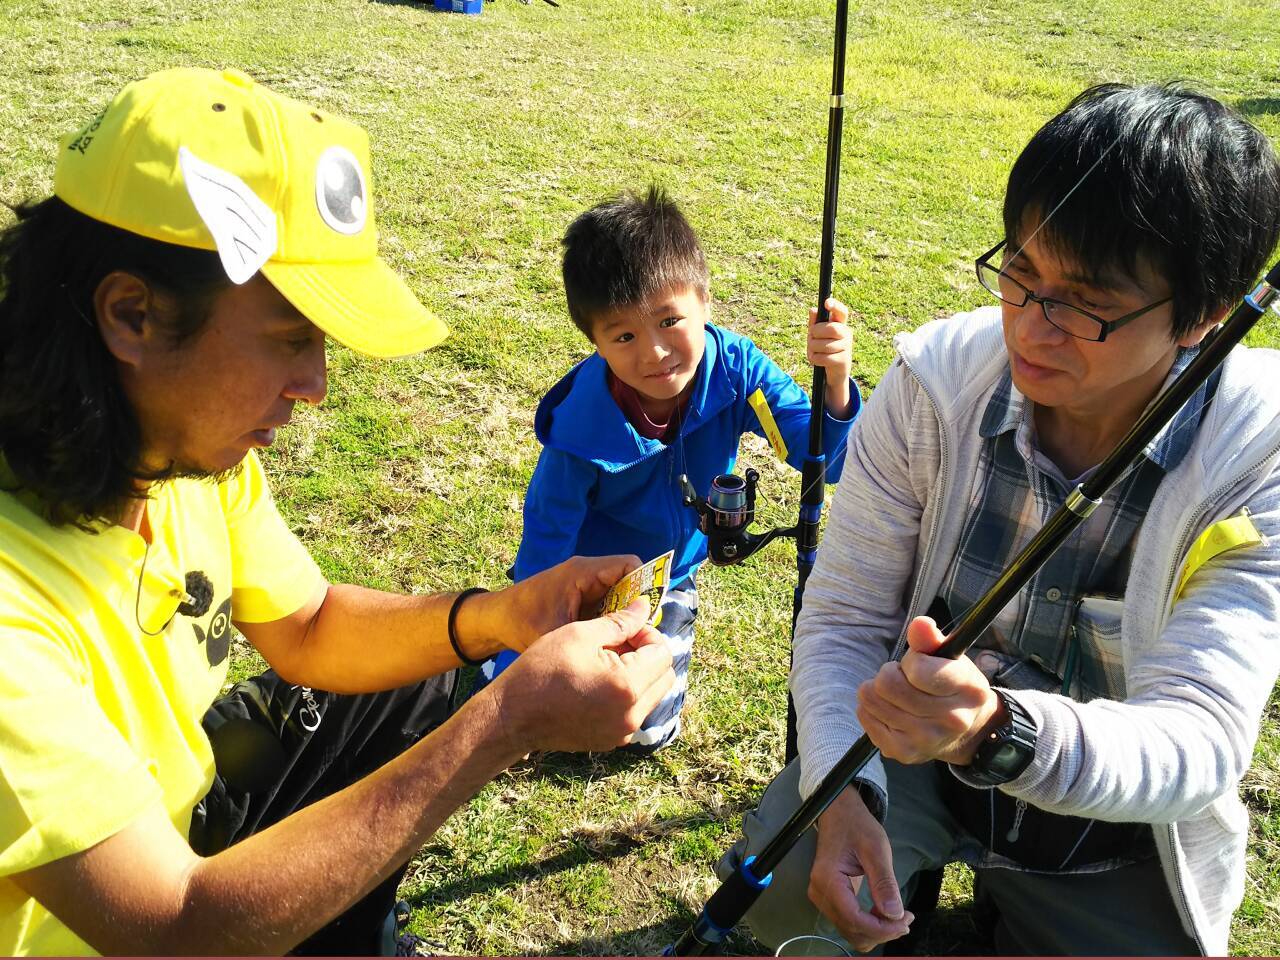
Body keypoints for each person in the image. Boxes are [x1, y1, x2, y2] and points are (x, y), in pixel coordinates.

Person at [0, 67, 676, 957]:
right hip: (123, 924)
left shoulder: (171, 443)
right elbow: (169, 927)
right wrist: (506, 722)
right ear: (132, 313)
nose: (315, 387)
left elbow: (311, 626)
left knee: (429, 668)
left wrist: (501, 618)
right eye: (290, 339)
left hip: (180, 815)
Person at [720, 82, 1280, 956]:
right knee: (785, 888)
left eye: (1085, 302)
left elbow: (1202, 737)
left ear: (1207, 319)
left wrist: (996, 735)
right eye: (1021, 269)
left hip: (1113, 828)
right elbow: (842, 622)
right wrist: (844, 801)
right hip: (915, 763)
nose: (1031, 324)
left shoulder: (1259, 459)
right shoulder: (937, 384)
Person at [482, 186, 861, 752]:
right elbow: (545, 541)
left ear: (705, 305)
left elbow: (822, 462)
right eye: (625, 335)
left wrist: (834, 383)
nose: (655, 353)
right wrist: (522, 659)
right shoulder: (580, 428)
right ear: (595, 341)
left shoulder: (738, 372)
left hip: (668, 580)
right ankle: (498, 658)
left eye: (670, 320)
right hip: (587, 587)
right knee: (557, 710)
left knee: (645, 731)